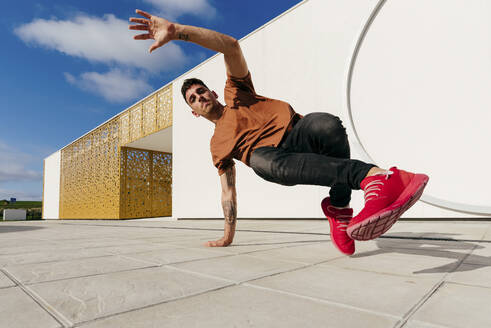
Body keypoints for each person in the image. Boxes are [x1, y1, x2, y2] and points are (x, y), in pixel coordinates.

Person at [129, 9, 429, 255]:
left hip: (297, 131)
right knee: (262, 162)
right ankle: (378, 179)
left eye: (201, 91)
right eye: (193, 99)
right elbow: (228, 192)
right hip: (274, 158)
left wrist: (179, 30)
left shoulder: (236, 93)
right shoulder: (217, 145)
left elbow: (231, 46)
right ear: (194, 112)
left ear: (213, 93)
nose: (200, 97)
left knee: (327, 123)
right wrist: (227, 236)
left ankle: (340, 207)